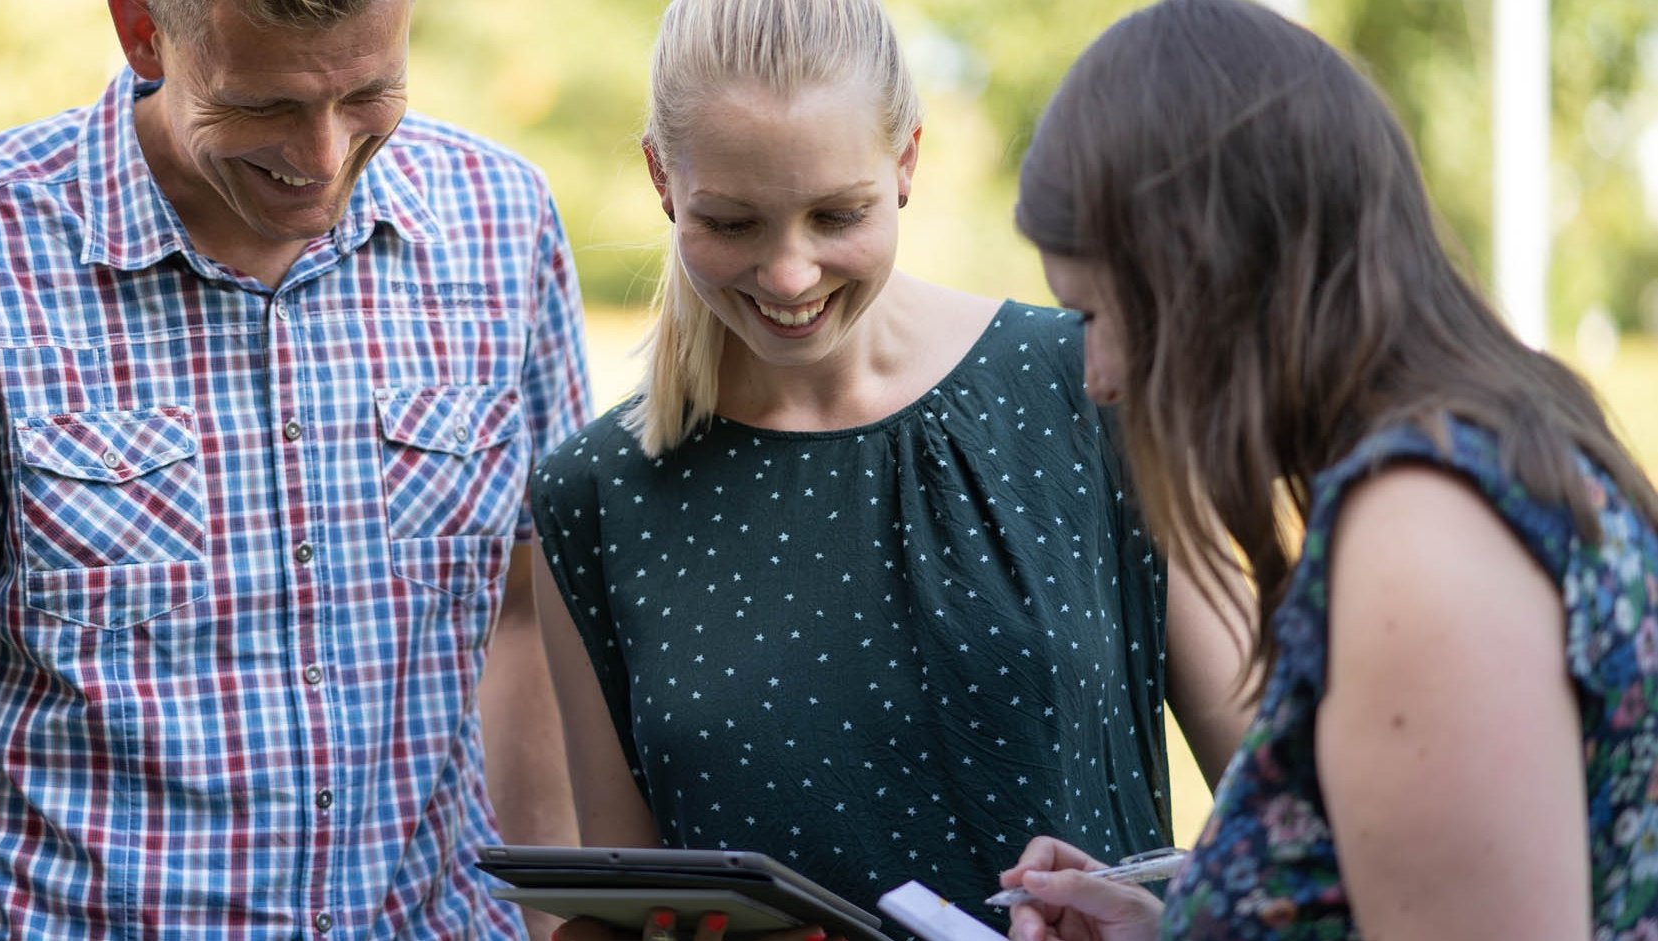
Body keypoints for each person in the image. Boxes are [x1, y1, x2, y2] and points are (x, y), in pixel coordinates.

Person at [0, 0, 592, 937]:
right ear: (143, 29)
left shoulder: (505, 224)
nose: (325, 156)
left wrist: (552, 924)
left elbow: (524, 615)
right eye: (265, 105)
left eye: (369, 94)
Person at [530, 0, 1250, 936]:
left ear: (906, 159)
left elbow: (1288, 820)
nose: (789, 276)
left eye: (836, 214)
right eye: (733, 222)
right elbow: (629, 915)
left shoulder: (1092, 387)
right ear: (663, 179)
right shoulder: (593, 497)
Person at [997, 1, 1658, 939]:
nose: (1097, 377)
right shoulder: (1487, 458)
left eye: (1102, 316)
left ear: (1215, 273)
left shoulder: (1424, 540)